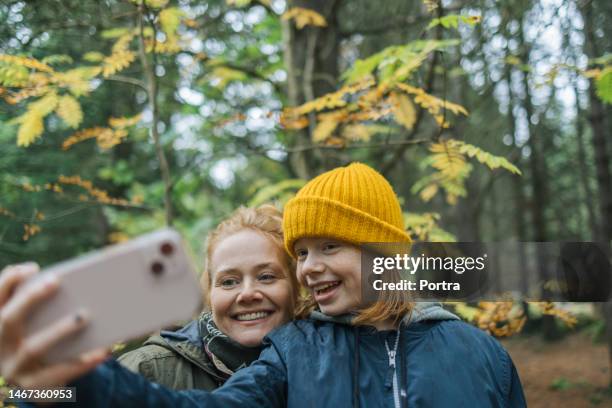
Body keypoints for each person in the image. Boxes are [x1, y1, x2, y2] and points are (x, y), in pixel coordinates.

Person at [1, 162, 526, 407]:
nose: (310, 267)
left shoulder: (481, 353)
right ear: (209, 290)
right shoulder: (291, 353)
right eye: (300, 253)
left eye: (329, 247)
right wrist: (59, 385)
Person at [117, 204, 298, 390]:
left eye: (266, 276)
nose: (247, 294)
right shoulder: (146, 373)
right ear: (209, 292)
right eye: (228, 282)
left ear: (297, 285)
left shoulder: (319, 366)